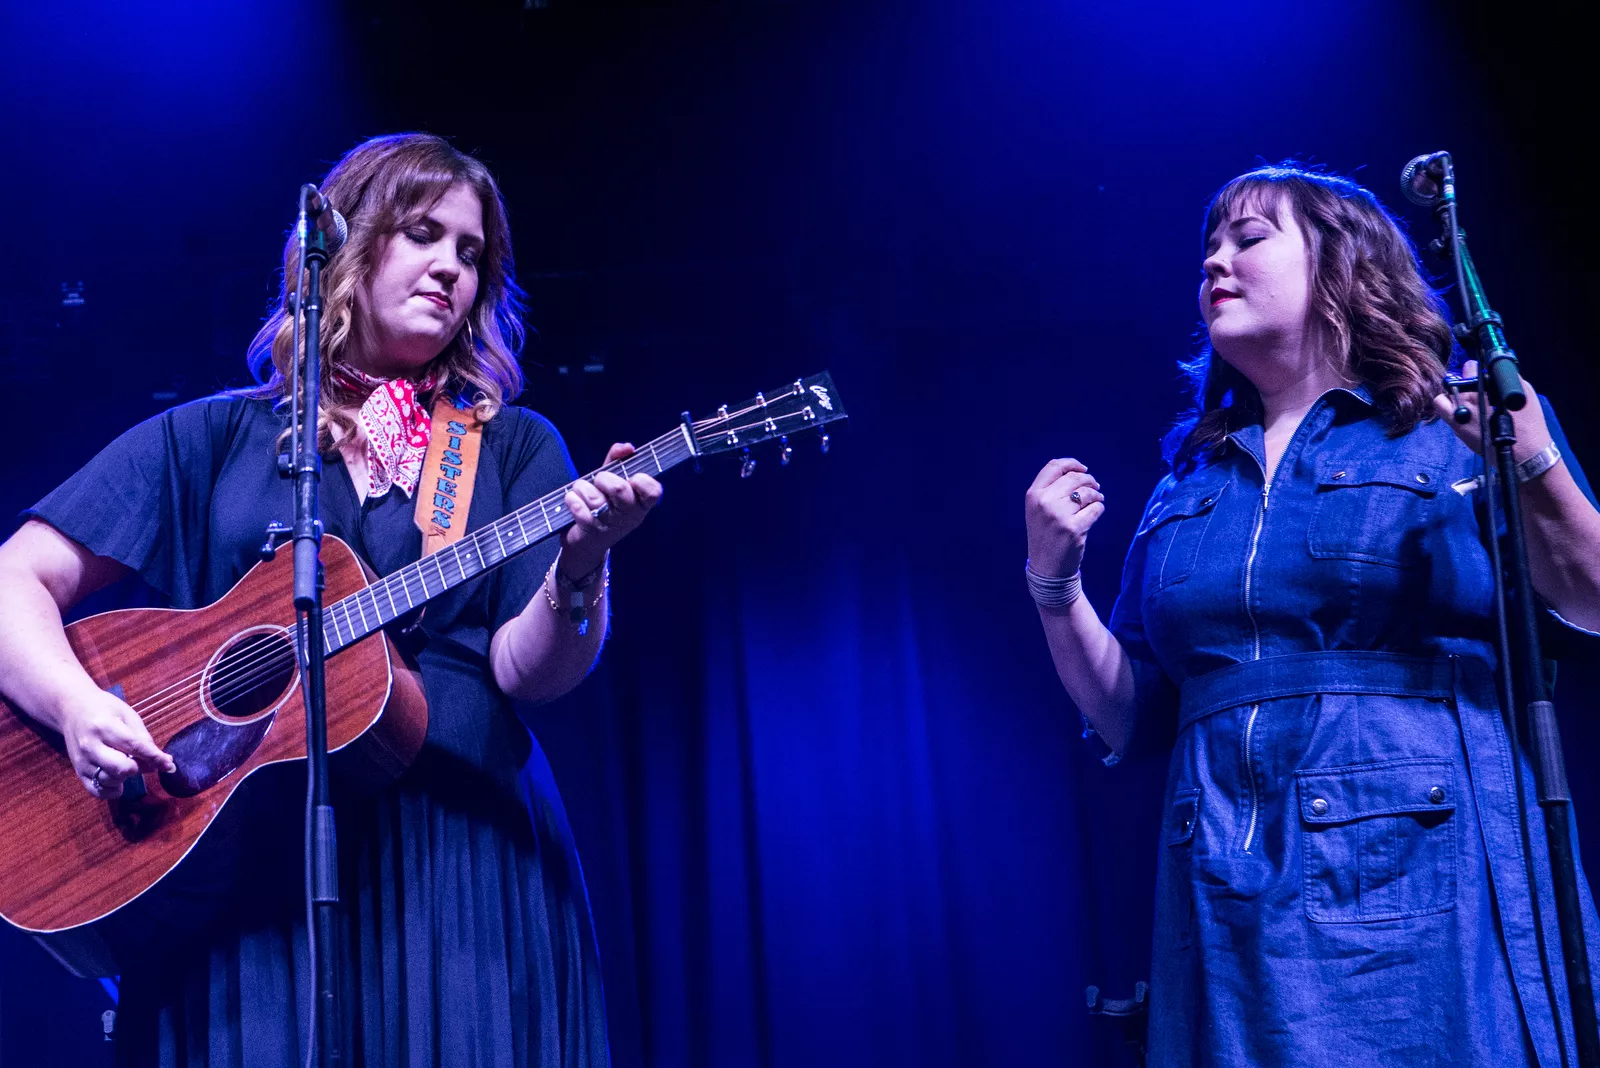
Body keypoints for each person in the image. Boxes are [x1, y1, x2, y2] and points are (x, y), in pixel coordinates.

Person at [0, 133, 658, 1066]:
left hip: (457, 865)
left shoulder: (511, 447)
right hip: (238, 885)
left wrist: (581, 566)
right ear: (349, 246)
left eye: (472, 253)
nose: (450, 269)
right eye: (423, 234)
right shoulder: (218, 438)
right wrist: (74, 706)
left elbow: (528, 670)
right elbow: (12, 579)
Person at [1024, 164, 1600, 1064]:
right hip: (1222, 889)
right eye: (1208, 248)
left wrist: (1530, 462)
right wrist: (1054, 586)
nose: (1216, 260)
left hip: (1422, 872)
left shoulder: (1453, 423)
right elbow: (1135, 715)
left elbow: (1594, 599)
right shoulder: (1189, 482)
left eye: (1249, 240)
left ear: (1341, 266)